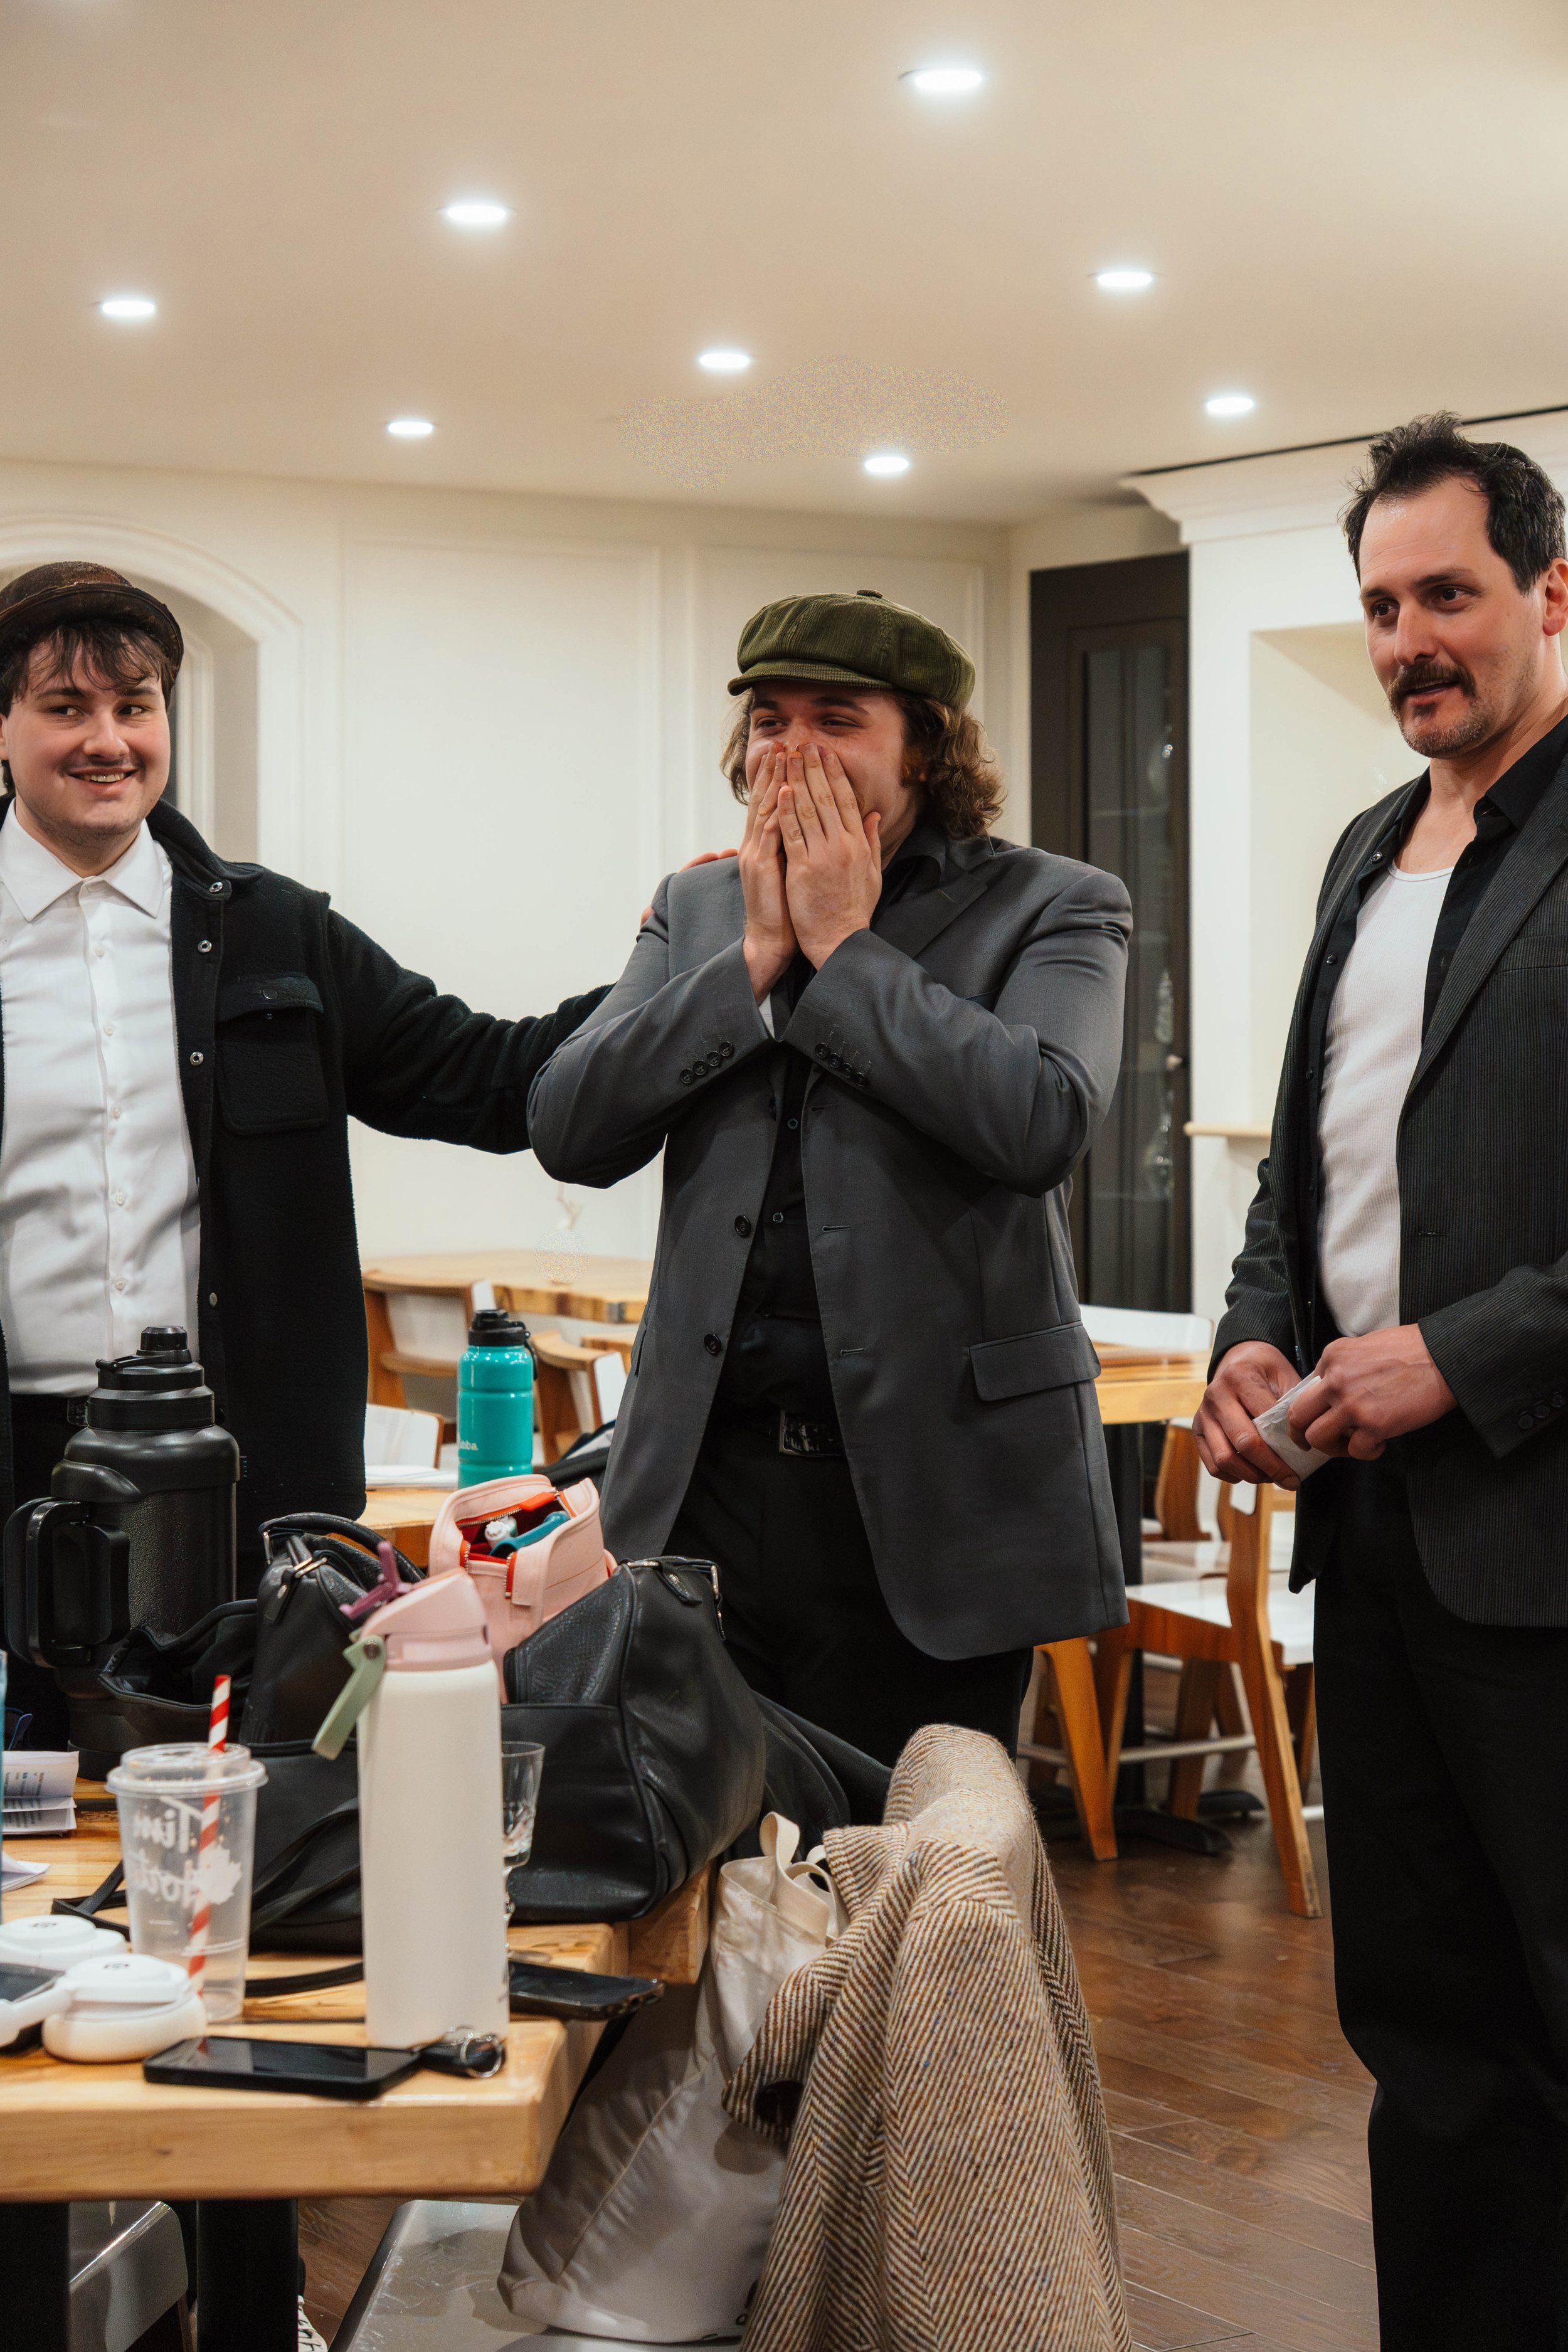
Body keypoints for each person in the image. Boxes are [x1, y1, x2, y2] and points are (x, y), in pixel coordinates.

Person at [1192, 416, 1568, 2349]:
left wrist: (1470, 1349)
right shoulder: (1363, 844)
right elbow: (1306, 1165)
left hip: (1544, 1526)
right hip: (1375, 1529)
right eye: (1378, 605)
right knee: (1419, 2026)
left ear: (1549, 596)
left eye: (1447, 593)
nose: (1410, 636)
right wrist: (1252, 1327)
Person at [0, 559, 609, 1749]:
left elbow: (490, 1076)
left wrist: (682, 964)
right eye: (66, 709)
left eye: (136, 707)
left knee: (249, 1816)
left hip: (246, 1476)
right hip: (22, 1468)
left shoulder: (274, 928)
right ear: (3, 726)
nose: (108, 741)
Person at [529, 588, 1131, 1766]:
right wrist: (753, 959)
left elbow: (1040, 1121)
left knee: (913, 1880)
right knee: (707, 1877)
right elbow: (570, 1123)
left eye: (837, 719)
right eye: (769, 719)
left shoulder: (1055, 902)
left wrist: (844, 950)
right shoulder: (700, 905)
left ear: (927, 748)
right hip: (702, 1488)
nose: (791, 750)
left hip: (931, 1493)